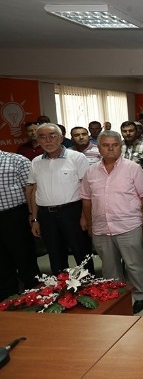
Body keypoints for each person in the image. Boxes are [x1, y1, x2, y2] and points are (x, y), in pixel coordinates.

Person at [81, 130, 143, 315]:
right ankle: (117, 297)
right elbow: (87, 200)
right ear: (99, 148)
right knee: (109, 267)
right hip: (101, 227)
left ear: (120, 147)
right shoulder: (91, 171)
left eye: (115, 145)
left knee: (135, 264)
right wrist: (90, 224)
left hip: (129, 225)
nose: (110, 149)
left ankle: (142, 294)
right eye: (106, 145)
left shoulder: (132, 168)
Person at [26, 123, 93, 274]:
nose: (47, 140)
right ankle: (61, 285)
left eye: (52, 136)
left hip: (72, 212)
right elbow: (35, 190)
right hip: (46, 215)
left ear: (61, 138)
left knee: (82, 252)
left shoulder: (77, 157)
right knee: (55, 255)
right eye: (42, 137)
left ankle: (89, 284)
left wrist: (84, 216)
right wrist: (34, 218)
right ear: (38, 140)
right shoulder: (36, 161)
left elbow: (86, 188)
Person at [0, 150, 40, 301]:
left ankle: (36, 297)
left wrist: (32, 215)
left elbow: (30, 190)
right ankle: (7, 301)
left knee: (25, 259)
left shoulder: (17, 160)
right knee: (2, 264)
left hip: (15, 216)